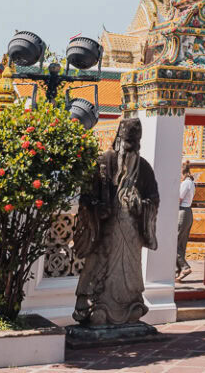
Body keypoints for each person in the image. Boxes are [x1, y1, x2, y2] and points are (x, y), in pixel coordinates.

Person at [73, 117, 159, 327]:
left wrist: (142, 204)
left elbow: (154, 198)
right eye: (126, 146)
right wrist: (98, 208)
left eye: (133, 147)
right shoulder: (104, 162)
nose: (129, 152)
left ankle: (131, 305)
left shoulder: (143, 167)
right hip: (106, 230)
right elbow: (86, 195)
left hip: (131, 233)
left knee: (130, 272)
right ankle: (93, 304)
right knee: (99, 264)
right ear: (118, 140)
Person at [176, 161, 196, 281]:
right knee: (181, 244)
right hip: (188, 212)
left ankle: (184, 267)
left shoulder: (185, 183)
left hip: (182, 212)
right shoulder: (192, 183)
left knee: (174, 243)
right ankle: (179, 272)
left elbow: (179, 199)